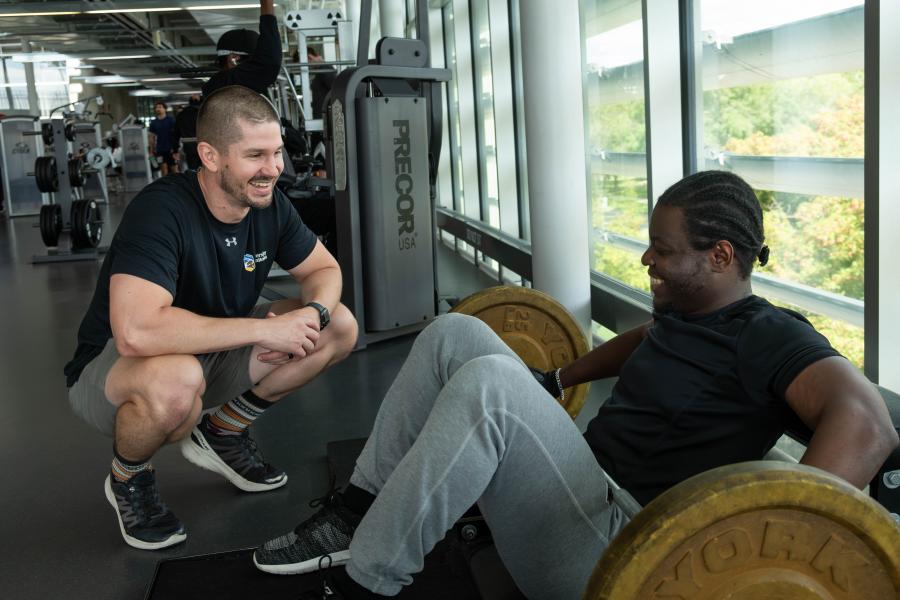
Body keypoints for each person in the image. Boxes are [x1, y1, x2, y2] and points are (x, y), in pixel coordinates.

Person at [251, 171, 898, 599]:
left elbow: (868, 424)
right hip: (585, 493)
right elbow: (644, 341)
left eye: (663, 249)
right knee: (454, 338)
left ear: (722, 256)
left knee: (489, 387)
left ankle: (369, 580)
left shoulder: (767, 332)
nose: (647, 260)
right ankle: (356, 512)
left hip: (630, 554)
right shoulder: (690, 315)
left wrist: (762, 541)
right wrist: (557, 375)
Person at [63, 85, 358, 551]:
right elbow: (137, 333)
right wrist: (266, 328)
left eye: (277, 152)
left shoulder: (270, 204)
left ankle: (222, 430)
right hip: (116, 369)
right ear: (211, 155)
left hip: (212, 354)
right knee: (176, 380)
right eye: (256, 155)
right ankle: (128, 477)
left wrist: (315, 312)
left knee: (338, 325)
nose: (273, 169)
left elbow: (324, 269)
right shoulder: (162, 211)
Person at [203, 0, 281, 97]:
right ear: (233, 59)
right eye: (251, 62)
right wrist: (267, 5)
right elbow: (269, 62)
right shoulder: (227, 83)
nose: (254, 68)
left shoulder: (218, 86)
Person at [148, 101, 177, 176]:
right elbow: (152, 137)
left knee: (174, 169)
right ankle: (166, 186)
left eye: (160, 107)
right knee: (163, 170)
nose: (158, 109)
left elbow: (176, 135)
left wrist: (176, 148)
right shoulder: (153, 123)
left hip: (171, 149)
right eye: (157, 107)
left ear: (165, 109)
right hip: (160, 150)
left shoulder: (171, 120)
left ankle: (178, 185)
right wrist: (151, 150)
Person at [173, 94, 201, 170]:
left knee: (193, 169)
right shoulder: (202, 113)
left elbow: (176, 134)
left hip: (188, 146)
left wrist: (175, 150)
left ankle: (195, 181)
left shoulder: (181, 115)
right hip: (203, 144)